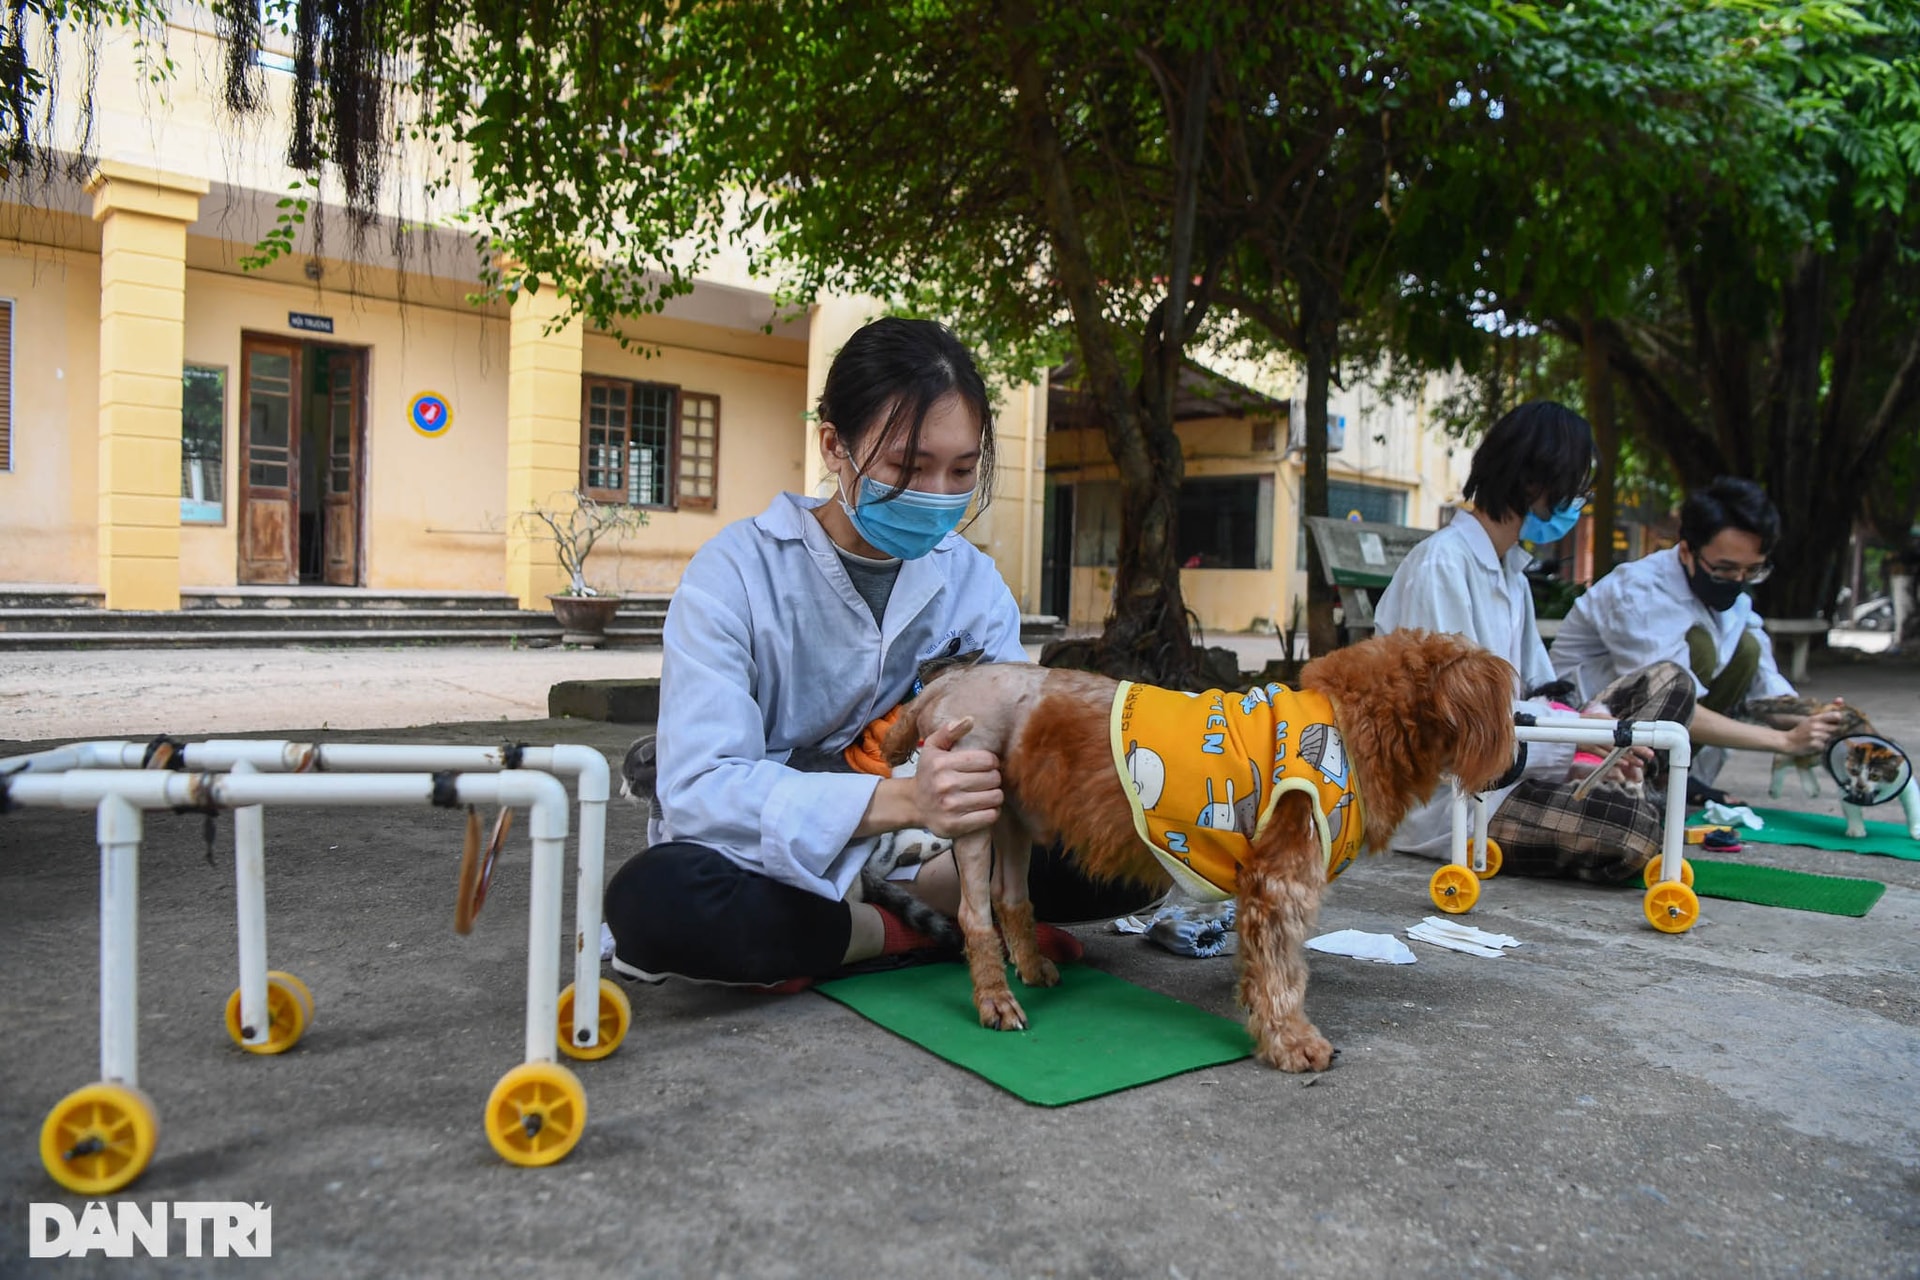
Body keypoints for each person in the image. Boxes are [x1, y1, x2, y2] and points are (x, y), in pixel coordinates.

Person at [603, 317, 1146, 990]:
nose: (938, 495)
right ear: (835, 446)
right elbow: (701, 791)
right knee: (656, 901)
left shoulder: (972, 584)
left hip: (936, 856)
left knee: (1133, 842)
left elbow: (1021, 748)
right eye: (907, 468)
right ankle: (912, 932)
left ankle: (849, 933)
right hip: (769, 856)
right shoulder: (735, 574)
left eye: (962, 471)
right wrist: (908, 799)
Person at [1373, 400, 1694, 883]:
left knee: (1672, 683)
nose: (1578, 503)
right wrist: (1582, 748)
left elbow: (1543, 688)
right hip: (1457, 799)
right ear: (1531, 483)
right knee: (1632, 831)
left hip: (1514, 758)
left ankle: (1617, 783)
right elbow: (1459, 724)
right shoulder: (1441, 566)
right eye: (1575, 489)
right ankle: (1623, 795)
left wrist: (1598, 732)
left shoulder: (1510, 573)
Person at [1548, 476, 1843, 795]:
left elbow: (1765, 689)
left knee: (1746, 649)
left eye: (1752, 570)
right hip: (1586, 732)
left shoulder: (1735, 603)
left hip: (1649, 729)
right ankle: (1643, 779)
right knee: (1699, 649)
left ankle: (1667, 778)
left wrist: (1822, 724)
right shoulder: (1640, 593)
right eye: (1726, 569)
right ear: (1686, 551)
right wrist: (1784, 742)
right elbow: (1667, 698)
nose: (1738, 580)